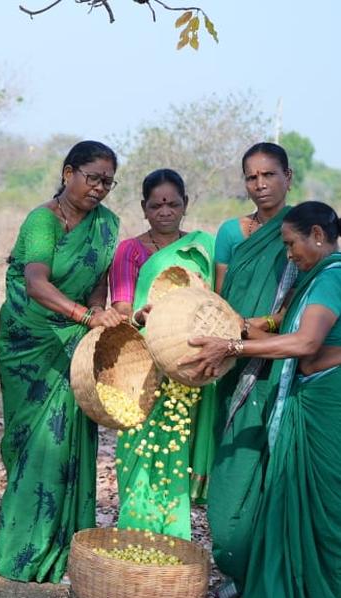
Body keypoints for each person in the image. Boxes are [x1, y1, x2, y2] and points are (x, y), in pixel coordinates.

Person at [182, 201, 341, 598]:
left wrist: (232, 347)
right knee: (295, 502)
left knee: (332, 510)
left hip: (339, 409)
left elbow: (306, 342)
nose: (288, 255)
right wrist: (232, 330)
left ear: (318, 237)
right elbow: (286, 337)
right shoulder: (315, 279)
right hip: (313, 403)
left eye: (291, 244)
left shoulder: (337, 277)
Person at [0, 141, 125, 583]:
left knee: (68, 442)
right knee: (31, 444)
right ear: (69, 173)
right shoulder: (42, 221)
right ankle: (20, 552)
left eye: (108, 181)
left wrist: (96, 323)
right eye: (93, 178)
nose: (100, 188)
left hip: (73, 345)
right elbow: (36, 283)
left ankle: (62, 551)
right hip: (30, 342)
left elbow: (95, 287)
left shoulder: (106, 226)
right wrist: (86, 317)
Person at [205, 142, 296, 598]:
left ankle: (267, 576)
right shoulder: (231, 232)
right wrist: (234, 335)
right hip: (231, 364)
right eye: (251, 177)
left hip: (281, 368)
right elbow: (221, 301)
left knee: (274, 474)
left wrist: (255, 329)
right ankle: (237, 564)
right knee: (232, 475)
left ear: (288, 177)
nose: (260, 185)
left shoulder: (301, 230)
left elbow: (296, 312)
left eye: (269, 175)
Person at [108, 169, 215, 539]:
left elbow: (214, 304)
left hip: (186, 369)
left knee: (174, 455)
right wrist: (139, 316)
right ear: (144, 207)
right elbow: (121, 311)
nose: (165, 210)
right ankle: (136, 538)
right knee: (139, 453)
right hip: (141, 366)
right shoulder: (130, 251)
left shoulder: (203, 249)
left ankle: (172, 542)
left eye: (173, 203)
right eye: (156, 204)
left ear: (186, 204)